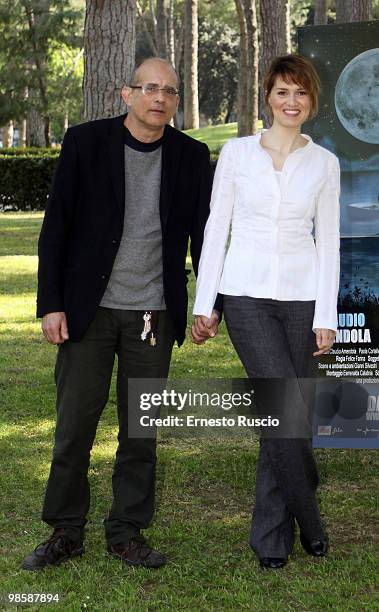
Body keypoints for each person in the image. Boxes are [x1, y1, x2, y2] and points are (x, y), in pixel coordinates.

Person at [22, 57, 218, 571]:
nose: (160, 98)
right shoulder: (86, 144)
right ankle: (66, 530)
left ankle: (126, 531)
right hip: (89, 313)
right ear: (125, 94)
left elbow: (206, 238)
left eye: (170, 92)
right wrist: (51, 304)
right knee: (74, 429)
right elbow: (57, 228)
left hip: (154, 315)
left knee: (141, 433)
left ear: (177, 102)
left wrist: (207, 304)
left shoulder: (192, 156)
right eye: (150, 88)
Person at [192, 54, 340, 569]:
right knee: (282, 408)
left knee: (286, 415)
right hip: (246, 296)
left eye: (300, 93)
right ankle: (312, 521)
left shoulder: (324, 162)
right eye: (282, 91)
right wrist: (204, 302)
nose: (291, 101)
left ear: (312, 101)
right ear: (268, 96)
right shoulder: (236, 154)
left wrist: (328, 315)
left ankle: (272, 540)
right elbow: (216, 229)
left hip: (303, 298)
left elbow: (331, 242)